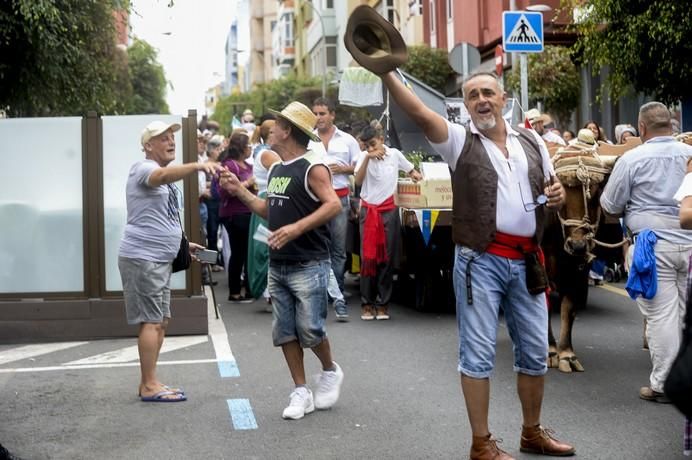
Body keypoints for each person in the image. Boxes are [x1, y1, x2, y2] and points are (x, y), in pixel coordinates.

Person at [375, 69, 572, 458]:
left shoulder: (533, 140)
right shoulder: (460, 140)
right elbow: (418, 111)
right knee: (478, 353)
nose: (481, 100)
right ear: (465, 106)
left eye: (488, 93)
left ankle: (531, 432)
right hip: (479, 261)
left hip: (527, 260)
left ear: (503, 99)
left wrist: (559, 195)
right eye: (472, 96)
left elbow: (555, 192)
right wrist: (386, 72)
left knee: (535, 351)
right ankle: (481, 444)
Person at [218, 101, 345, 420]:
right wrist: (240, 192)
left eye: (276, 125)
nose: (270, 128)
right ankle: (301, 390)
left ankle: (330, 370)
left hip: (309, 262)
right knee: (285, 331)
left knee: (311, 329)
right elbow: (267, 210)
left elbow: (333, 206)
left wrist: (296, 228)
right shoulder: (275, 169)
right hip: (280, 263)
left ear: (287, 131)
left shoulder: (313, 167)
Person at [118, 121, 221, 402]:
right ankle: (149, 385)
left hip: (158, 259)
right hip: (144, 258)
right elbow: (161, 176)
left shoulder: (161, 176)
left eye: (171, 137)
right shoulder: (144, 169)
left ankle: (149, 382)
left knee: (160, 321)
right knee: (151, 322)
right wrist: (198, 166)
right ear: (148, 146)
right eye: (162, 138)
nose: (170, 141)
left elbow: (162, 217)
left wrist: (183, 245)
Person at [601, 101, 692, 403]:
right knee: (684, 316)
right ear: (671, 125)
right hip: (690, 243)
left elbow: (610, 206)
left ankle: (665, 384)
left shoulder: (631, 159)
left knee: (662, 318)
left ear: (641, 129)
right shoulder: (690, 155)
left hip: (652, 248)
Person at [354, 125, 422, 321]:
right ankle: (366, 303)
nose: (371, 148)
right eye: (366, 146)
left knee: (387, 256)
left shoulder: (395, 155)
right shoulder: (364, 157)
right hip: (369, 210)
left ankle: (383, 303)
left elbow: (412, 171)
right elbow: (358, 182)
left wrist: (417, 177)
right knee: (368, 257)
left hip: (388, 210)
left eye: (373, 144)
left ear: (382, 139)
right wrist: (368, 157)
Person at [309, 97, 361, 296]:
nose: (318, 117)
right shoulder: (308, 139)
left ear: (332, 115)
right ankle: (320, 290)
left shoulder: (348, 140)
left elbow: (360, 166)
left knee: (338, 249)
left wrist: (344, 168)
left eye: (322, 113)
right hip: (314, 201)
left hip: (340, 199)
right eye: (315, 113)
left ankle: (336, 290)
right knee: (317, 247)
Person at [218, 131, 256, 302]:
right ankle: (235, 291)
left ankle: (250, 288)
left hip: (249, 211)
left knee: (249, 252)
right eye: (248, 146)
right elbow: (225, 190)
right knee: (239, 252)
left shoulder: (248, 165)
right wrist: (247, 183)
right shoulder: (229, 165)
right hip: (235, 214)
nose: (250, 149)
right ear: (242, 147)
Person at [247, 119, 281, 306]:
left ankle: (271, 292)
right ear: (271, 134)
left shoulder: (266, 151)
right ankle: (270, 291)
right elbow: (286, 168)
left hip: (266, 199)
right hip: (268, 201)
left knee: (268, 244)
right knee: (267, 246)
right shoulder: (267, 154)